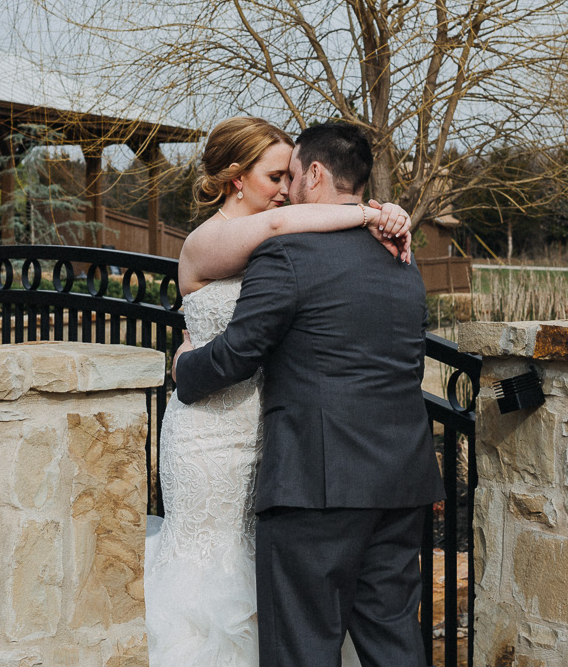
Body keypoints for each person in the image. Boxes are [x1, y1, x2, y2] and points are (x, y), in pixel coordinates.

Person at [171, 121, 444, 667]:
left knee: (303, 647)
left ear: (314, 174)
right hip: (400, 478)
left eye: (291, 175)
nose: (287, 189)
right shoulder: (401, 262)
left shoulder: (288, 255)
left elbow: (238, 354)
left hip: (315, 481)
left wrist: (184, 369)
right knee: (392, 637)